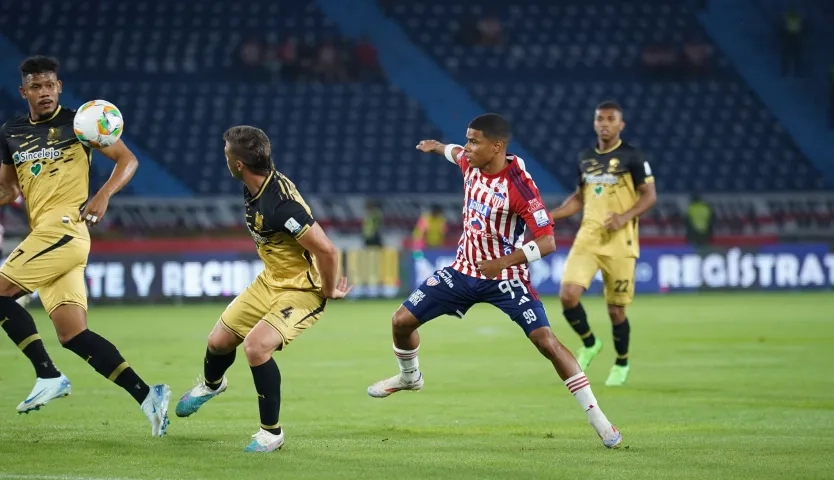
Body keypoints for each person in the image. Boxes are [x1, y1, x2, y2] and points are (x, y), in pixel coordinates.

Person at [366, 114, 623, 449]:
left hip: (505, 276)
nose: (468, 147)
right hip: (463, 270)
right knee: (401, 320)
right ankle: (409, 377)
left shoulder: (519, 187)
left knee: (546, 341)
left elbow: (547, 242)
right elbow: (454, 152)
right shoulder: (470, 162)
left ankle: (597, 417)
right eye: (468, 139)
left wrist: (503, 262)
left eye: (475, 141)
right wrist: (436, 147)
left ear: (497, 146)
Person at [0, 55, 170, 435]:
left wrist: (104, 194)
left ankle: (48, 375)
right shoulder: (10, 131)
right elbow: (8, 189)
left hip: (64, 228)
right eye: (36, 86)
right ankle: (148, 396)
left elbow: (127, 160)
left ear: (59, 87)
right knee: (72, 334)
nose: (44, 92)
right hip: (46, 235)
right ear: (23, 90)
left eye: (50, 85)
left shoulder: (82, 122)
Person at [175, 126, 352, 452]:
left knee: (256, 347)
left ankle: (271, 433)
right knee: (218, 342)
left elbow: (327, 250)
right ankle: (212, 385)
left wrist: (327, 291)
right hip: (270, 280)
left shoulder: (280, 205)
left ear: (239, 164)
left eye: (227, 153)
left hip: (301, 288)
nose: (224, 157)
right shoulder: (253, 184)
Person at [550, 102, 657, 387]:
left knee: (615, 310)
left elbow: (649, 196)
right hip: (588, 237)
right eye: (600, 119)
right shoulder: (585, 158)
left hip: (621, 241)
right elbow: (579, 198)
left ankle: (621, 362)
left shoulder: (633, 156)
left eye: (611, 119)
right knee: (568, 295)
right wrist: (549, 216)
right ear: (594, 123)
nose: (605, 123)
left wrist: (624, 217)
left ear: (621, 125)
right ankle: (590, 342)